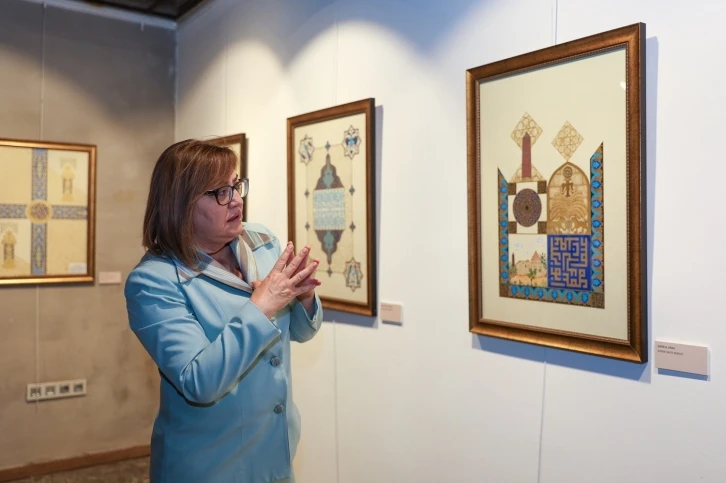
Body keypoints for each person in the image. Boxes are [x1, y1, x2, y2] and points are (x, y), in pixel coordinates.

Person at [124, 139, 323, 483]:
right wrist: (261, 306)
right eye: (220, 192)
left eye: (235, 185)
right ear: (181, 204)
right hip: (210, 464)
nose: (236, 200)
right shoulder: (153, 281)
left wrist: (303, 297)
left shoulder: (262, 242)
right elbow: (199, 382)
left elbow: (298, 333)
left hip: (274, 450)